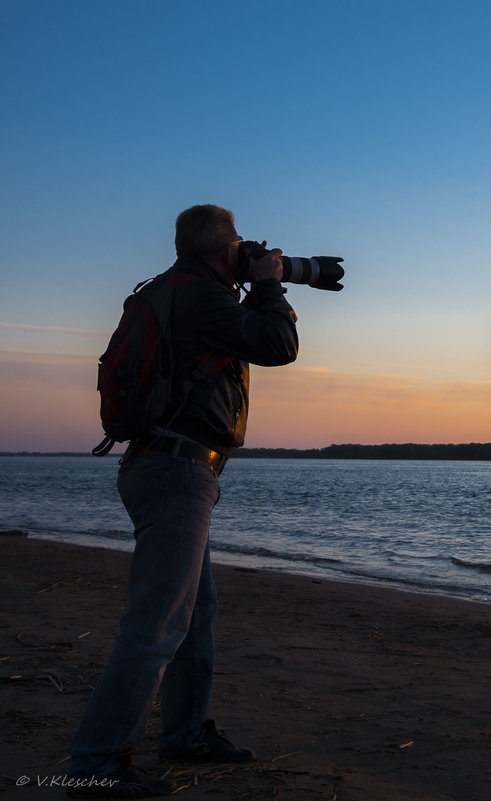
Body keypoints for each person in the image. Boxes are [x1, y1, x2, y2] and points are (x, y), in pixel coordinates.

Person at [67, 205, 300, 798]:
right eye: (241, 245)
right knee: (156, 625)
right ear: (224, 249)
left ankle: (186, 733)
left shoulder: (173, 292)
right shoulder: (200, 298)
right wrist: (269, 284)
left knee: (193, 614)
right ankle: (95, 766)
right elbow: (278, 343)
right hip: (176, 470)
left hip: (163, 464)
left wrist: (254, 283)